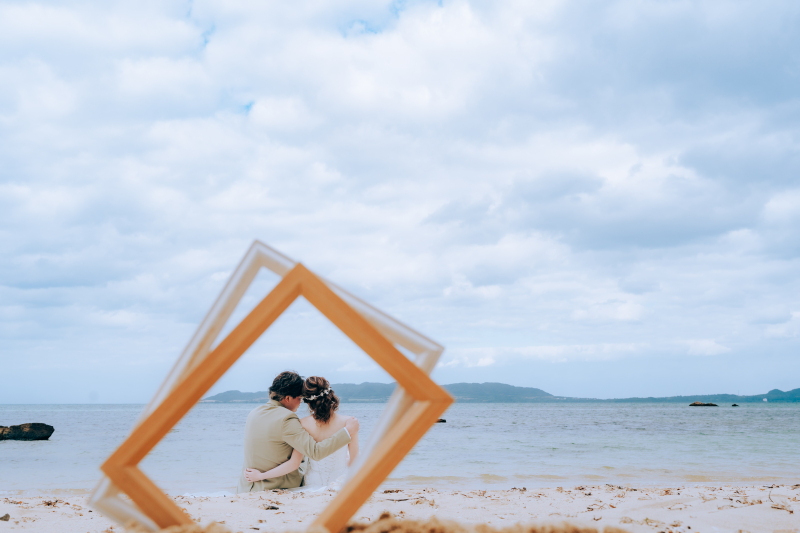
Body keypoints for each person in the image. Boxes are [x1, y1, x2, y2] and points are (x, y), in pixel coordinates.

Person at [236, 371, 359, 493]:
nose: (301, 402)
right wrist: (347, 432)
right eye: (300, 398)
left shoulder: (253, 413)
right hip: (274, 486)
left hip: (246, 486)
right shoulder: (287, 418)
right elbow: (316, 453)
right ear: (288, 398)